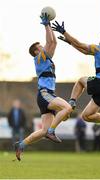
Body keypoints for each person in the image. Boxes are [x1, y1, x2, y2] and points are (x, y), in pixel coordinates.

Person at [14, 15, 72, 161]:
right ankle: (52, 131)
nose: (43, 46)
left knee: (43, 130)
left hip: (46, 96)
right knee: (67, 108)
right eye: (40, 46)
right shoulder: (39, 58)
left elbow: (53, 42)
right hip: (45, 94)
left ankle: (21, 144)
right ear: (36, 51)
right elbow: (50, 41)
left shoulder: (46, 58)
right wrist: (46, 26)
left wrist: (50, 25)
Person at [51, 21, 100, 136]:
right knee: (87, 116)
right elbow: (84, 51)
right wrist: (70, 42)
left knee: (80, 81)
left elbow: (80, 44)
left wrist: (64, 32)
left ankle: (71, 103)